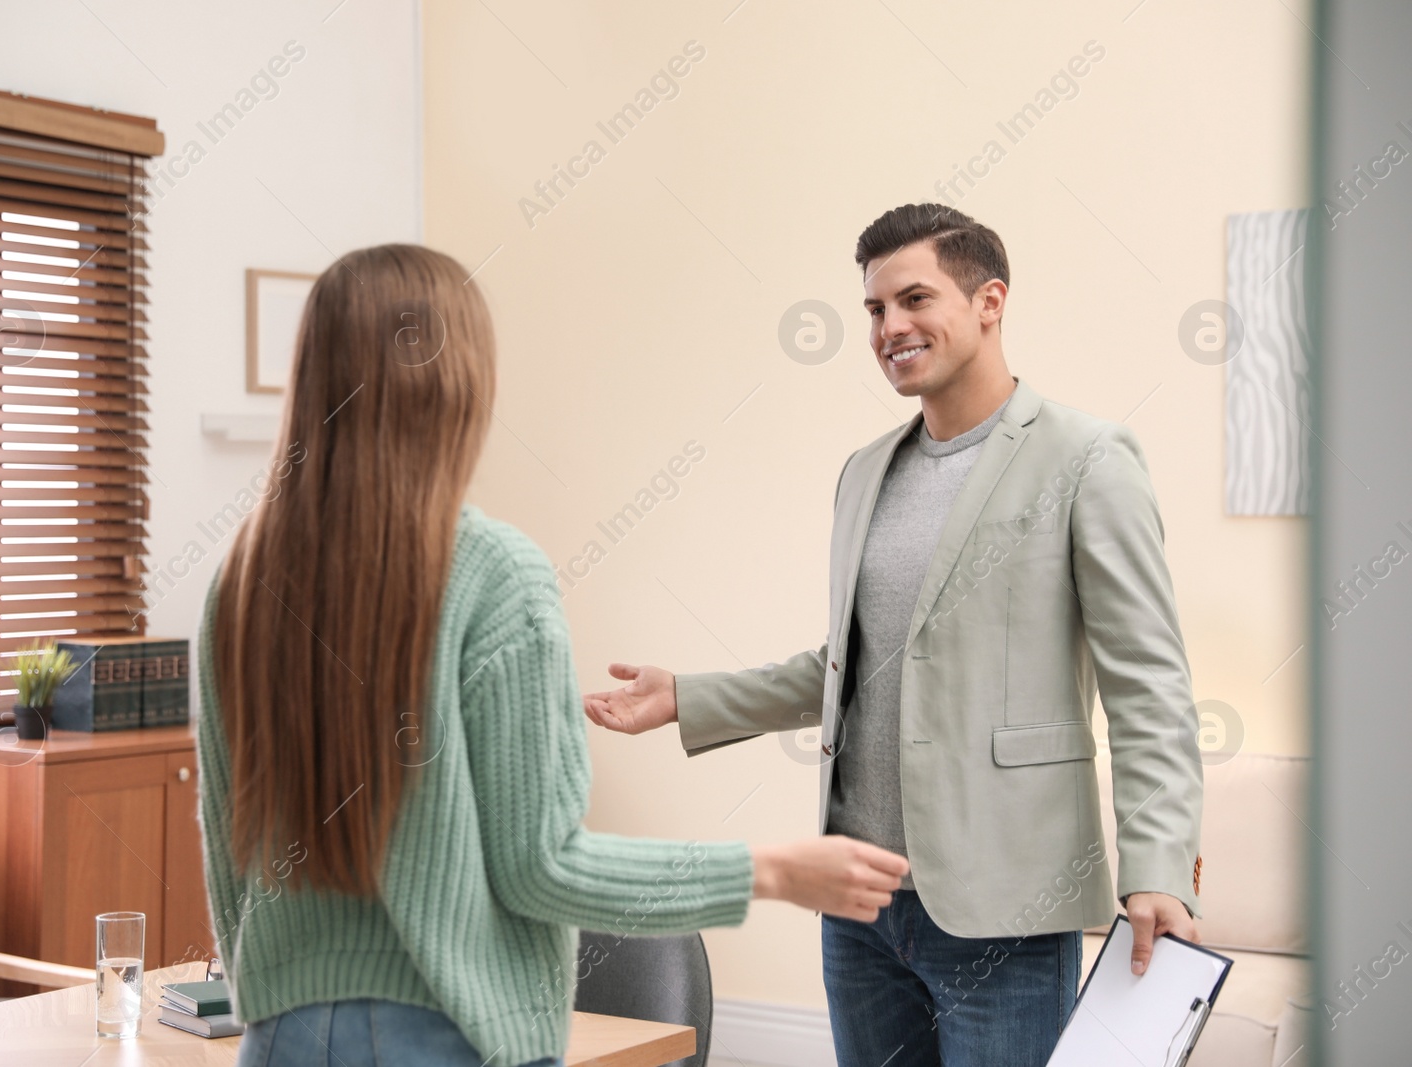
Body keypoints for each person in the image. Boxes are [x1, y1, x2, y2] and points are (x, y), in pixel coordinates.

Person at [193, 243, 910, 1067]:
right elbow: (543, 868)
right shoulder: (493, 573)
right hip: (444, 1037)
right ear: (459, 381)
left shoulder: (240, 581)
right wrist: (775, 868)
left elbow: (226, 850)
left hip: (278, 1036)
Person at [583, 204, 1205, 1067]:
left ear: (991, 301)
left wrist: (1159, 867)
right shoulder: (867, 469)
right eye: (875, 309)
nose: (890, 326)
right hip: (860, 907)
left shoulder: (1088, 460)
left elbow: (1150, 688)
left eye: (915, 298)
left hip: (1006, 908)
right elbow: (855, 665)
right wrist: (687, 696)